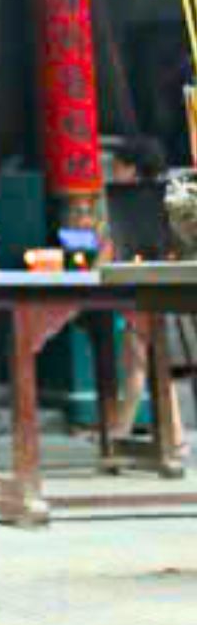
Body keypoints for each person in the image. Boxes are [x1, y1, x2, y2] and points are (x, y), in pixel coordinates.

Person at [105, 137, 187, 450]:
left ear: (132, 169)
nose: (114, 173)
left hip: (140, 289)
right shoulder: (172, 196)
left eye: (118, 167)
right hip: (164, 286)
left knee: (140, 362)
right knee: (145, 363)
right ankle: (138, 431)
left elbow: (114, 247)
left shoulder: (130, 202)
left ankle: (125, 432)